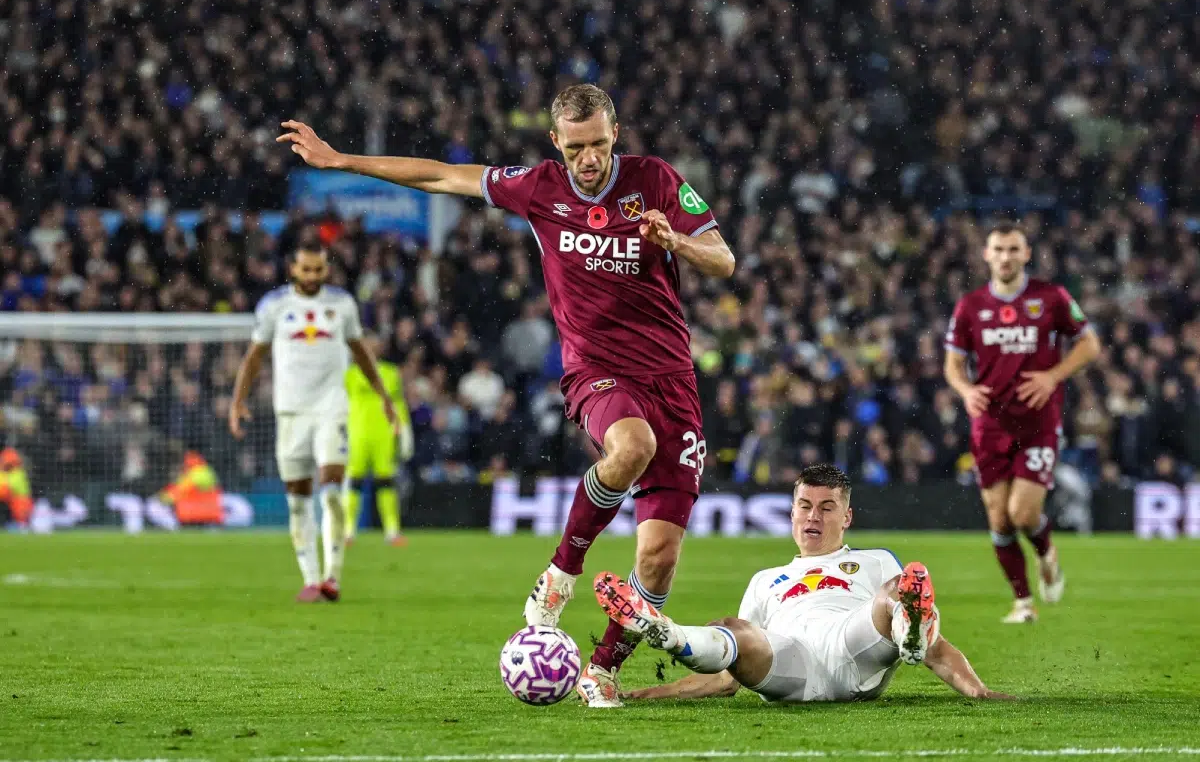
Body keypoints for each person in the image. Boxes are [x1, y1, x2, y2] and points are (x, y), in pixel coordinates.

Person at [278, 83, 735, 705]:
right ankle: (560, 572)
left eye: (599, 143)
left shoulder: (655, 181)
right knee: (631, 446)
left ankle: (602, 670)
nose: (590, 159)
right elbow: (441, 176)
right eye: (576, 148)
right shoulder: (539, 188)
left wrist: (675, 241)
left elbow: (723, 260)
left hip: (673, 379)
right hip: (598, 371)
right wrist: (342, 161)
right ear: (556, 143)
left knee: (657, 559)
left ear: (615, 134)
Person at [595, 464, 1012, 703]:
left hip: (853, 644)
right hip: (789, 665)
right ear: (792, 513)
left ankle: (909, 639)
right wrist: (649, 694)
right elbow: (726, 679)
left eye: (827, 508)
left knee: (899, 590)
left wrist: (980, 691)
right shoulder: (763, 581)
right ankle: (667, 633)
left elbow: (938, 647)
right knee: (734, 630)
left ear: (846, 518)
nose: (814, 517)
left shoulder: (874, 560)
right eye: (805, 506)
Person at [944, 224, 1101, 623]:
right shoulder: (970, 306)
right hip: (989, 425)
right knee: (998, 519)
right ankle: (1023, 603)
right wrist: (965, 391)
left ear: (1026, 253)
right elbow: (953, 365)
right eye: (998, 249)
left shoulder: (1051, 297)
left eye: (1013, 249)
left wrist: (1053, 376)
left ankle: (1047, 551)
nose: (1006, 257)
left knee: (1024, 515)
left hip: (1038, 424)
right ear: (986, 254)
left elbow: (1089, 344)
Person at [230, 240, 397, 603]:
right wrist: (238, 400)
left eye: (318, 269)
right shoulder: (275, 306)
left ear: (326, 269)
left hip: (331, 408)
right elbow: (255, 355)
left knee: (333, 490)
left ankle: (332, 578)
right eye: (305, 269)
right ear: (293, 269)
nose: (312, 276)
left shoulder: (342, 304)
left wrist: (384, 397)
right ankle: (310, 580)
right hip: (290, 412)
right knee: (297, 502)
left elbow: (361, 353)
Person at [344, 332, 414, 547]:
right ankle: (348, 532)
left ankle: (392, 532)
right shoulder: (350, 374)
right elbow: (341, 403)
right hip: (357, 434)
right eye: (367, 343)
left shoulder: (391, 373)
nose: (371, 347)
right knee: (354, 483)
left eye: (374, 344)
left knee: (386, 482)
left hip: (384, 434)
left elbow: (398, 403)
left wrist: (404, 430)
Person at [156, 450, 223, 526]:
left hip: (194, 509)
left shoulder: (195, 473)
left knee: (156, 505)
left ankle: (172, 527)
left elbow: (180, 491)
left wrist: (163, 497)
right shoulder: (206, 470)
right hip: (211, 507)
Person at [0, 447, 32, 529]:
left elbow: (6, 491)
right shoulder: (5, 473)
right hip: (8, 503)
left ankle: (20, 525)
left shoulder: (18, 473)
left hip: (20, 503)